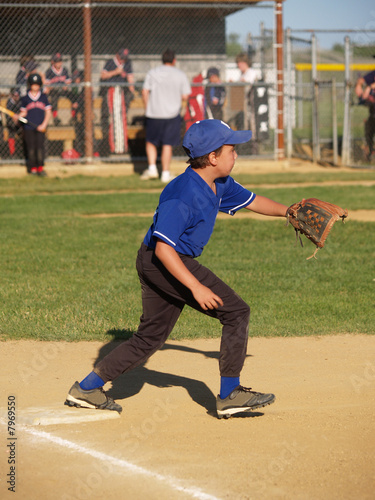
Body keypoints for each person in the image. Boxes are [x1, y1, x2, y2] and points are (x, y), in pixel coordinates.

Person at [65, 119, 290, 419]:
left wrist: (289, 212)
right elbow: (163, 248)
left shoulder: (218, 182)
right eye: (231, 149)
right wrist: (195, 287)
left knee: (149, 337)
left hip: (164, 261)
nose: (236, 154)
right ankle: (229, 394)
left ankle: (86, 389)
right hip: (164, 262)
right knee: (235, 312)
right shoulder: (183, 193)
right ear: (213, 158)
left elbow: (252, 201)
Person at [141, 48, 191, 183]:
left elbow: (145, 91)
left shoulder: (153, 72)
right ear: (174, 60)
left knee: (151, 141)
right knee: (167, 144)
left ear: (162, 60)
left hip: (153, 114)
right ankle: (165, 173)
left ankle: (152, 168)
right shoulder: (180, 74)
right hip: (172, 114)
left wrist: (148, 108)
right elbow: (185, 95)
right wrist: (182, 110)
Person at [99, 48, 135, 155]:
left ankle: (121, 146)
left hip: (123, 92)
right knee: (114, 118)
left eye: (124, 58)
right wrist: (116, 72)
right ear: (117, 55)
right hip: (111, 90)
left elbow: (130, 78)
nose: (123, 60)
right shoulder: (110, 62)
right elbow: (103, 75)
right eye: (121, 58)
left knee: (121, 116)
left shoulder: (127, 63)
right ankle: (115, 146)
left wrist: (132, 89)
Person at [18, 73, 51, 176]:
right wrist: (18, 116)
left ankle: (40, 168)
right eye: (33, 84)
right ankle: (33, 169)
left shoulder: (43, 97)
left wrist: (44, 125)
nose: (35, 86)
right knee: (31, 148)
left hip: (40, 127)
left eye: (37, 84)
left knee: (40, 148)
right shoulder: (25, 98)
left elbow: (48, 112)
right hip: (29, 127)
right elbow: (23, 113)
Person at [355, 58, 375, 162]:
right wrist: (360, 88)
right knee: (369, 129)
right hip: (372, 110)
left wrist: (370, 87)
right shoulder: (373, 74)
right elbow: (361, 81)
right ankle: (371, 152)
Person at [44, 52, 71, 126]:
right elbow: (47, 84)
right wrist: (51, 86)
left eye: (60, 61)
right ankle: (56, 117)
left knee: (73, 96)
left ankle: (73, 117)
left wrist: (66, 85)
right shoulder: (49, 71)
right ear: (53, 62)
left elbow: (68, 82)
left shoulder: (65, 70)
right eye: (57, 61)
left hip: (63, 90)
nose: (59, 63)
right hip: (54, 91)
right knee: (54, 98)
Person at [6, 88, 23, 158]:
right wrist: (14, 120)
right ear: (11, 95)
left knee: (22, 134)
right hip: (11, 122)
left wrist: (18, 120)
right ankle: (12, 153)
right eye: (14, 95)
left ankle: (21, 153)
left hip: (20, 121)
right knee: (11, 134)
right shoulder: (9, 102)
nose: (15, 97)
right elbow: (9, 116)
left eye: (17, 95)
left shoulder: (21, 102)